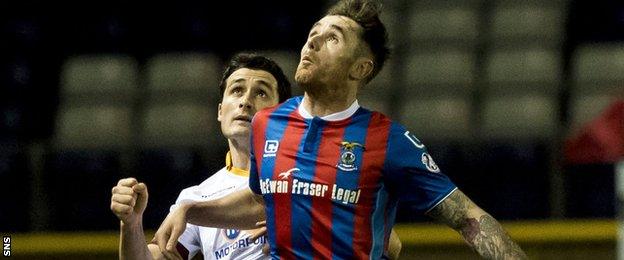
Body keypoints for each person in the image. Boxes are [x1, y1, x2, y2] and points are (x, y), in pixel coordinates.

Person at [153, 0, 527, 259]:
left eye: (332, 38)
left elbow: (467, 217)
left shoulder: (388, 140)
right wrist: (191, 209)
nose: (313, 41)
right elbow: (259, 200)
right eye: (313, 33)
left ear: (360, 69)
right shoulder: (268, 124)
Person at [110, 53, 292, 260]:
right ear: (220, 111)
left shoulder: (303, 173)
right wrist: (131, 224)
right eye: (237, 90)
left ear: (282, 115)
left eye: (261, 93)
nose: (245, 101)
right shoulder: (196, 197)